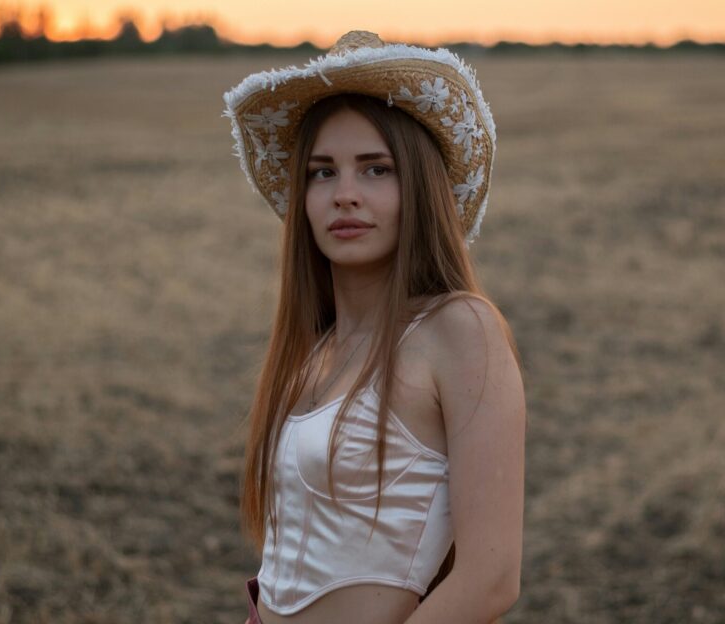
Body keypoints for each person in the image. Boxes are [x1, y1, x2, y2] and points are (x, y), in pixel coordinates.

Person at [223, 31, 525, 624]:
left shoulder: (458, 329)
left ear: (418, 186)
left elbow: (491, 580)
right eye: (322, 173)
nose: (346, 196)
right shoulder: (315, 352)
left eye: (376, 169)